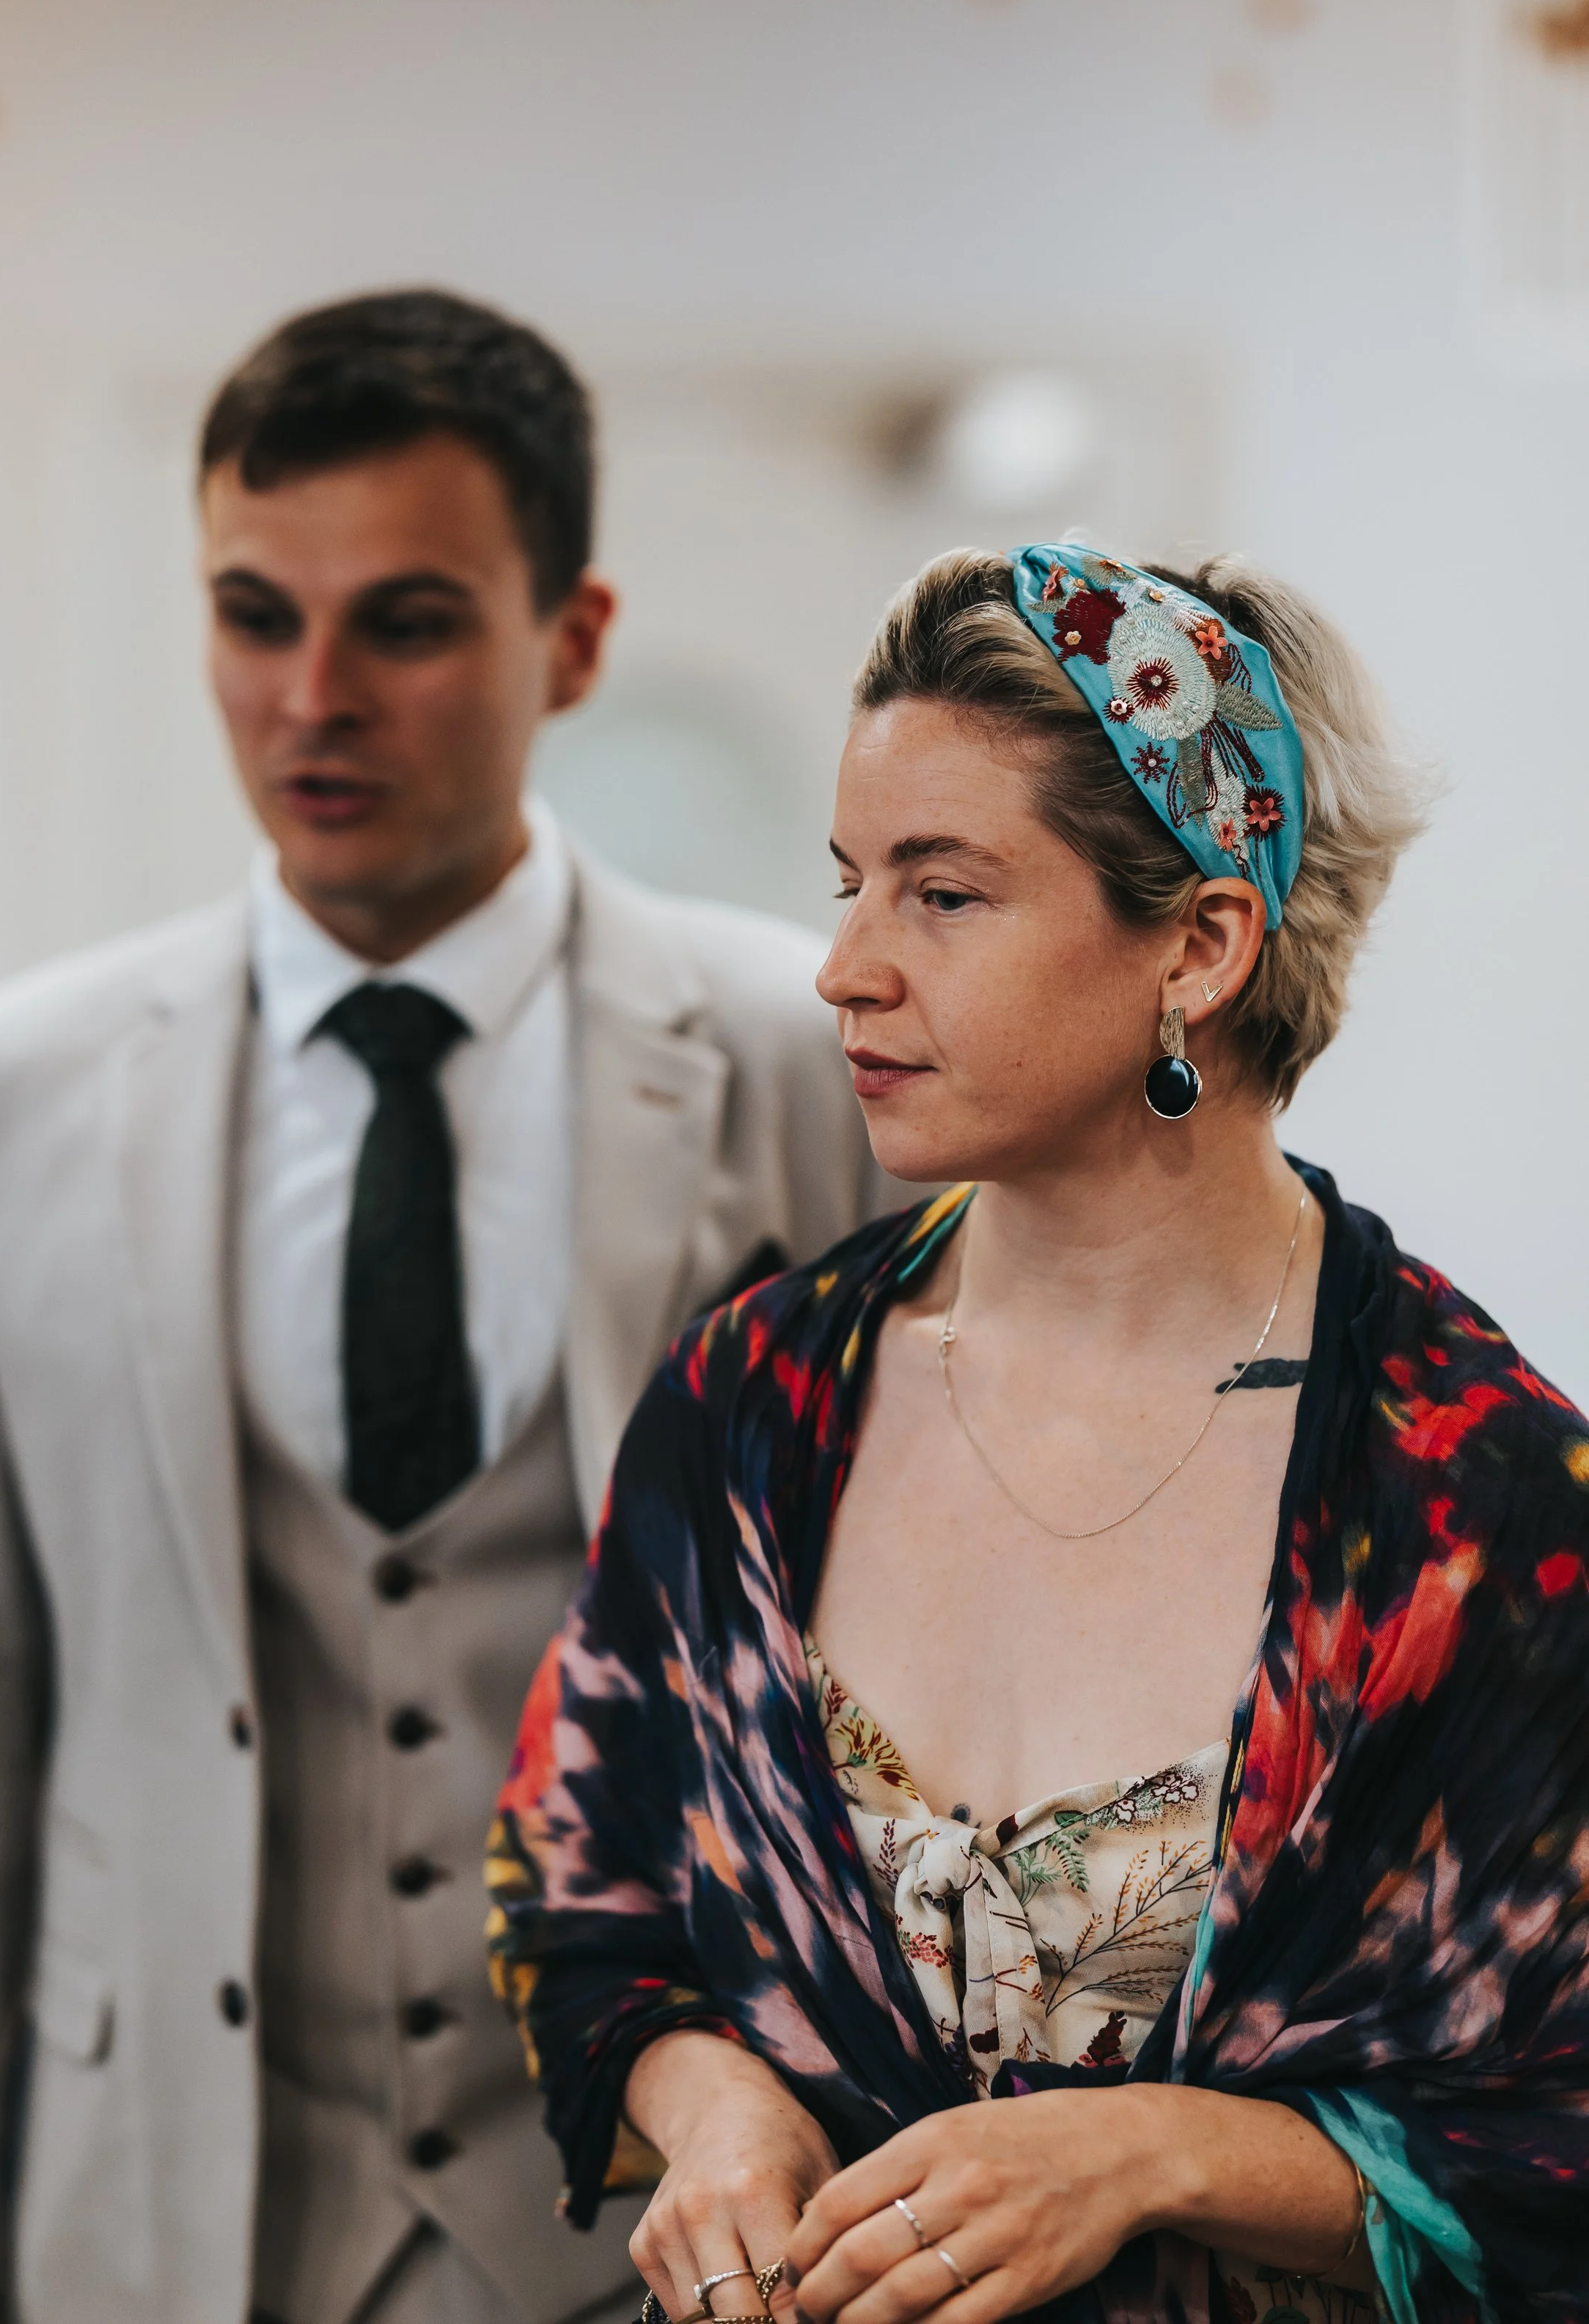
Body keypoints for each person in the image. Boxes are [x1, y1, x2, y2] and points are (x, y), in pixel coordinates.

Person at [0, 290, 889, 2324]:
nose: (310, 693)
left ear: (572, 638)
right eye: (250, 612)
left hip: (670, 2219)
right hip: (151, 2219)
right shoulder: (13, 1080)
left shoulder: (797, 1050)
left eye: (402, 620)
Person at [490, 543, 1589, 2324]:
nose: (841, 969)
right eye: (847, 884)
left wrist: (1157, 2153)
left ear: (1199, 943)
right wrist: (714, 2118)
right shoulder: (752, 1404)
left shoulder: (1472, 1501)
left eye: (942, 896)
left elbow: (1556, 2140)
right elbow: (573, 1886)